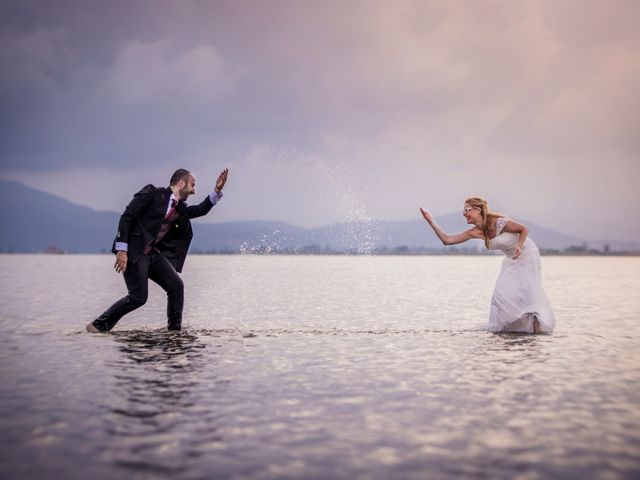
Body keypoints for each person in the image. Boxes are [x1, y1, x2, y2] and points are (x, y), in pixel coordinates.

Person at [87, 168, 229, 333]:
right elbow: (127, 216)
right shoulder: (152, 193)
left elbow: (200, 210)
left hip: (152, 254)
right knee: (138, 297)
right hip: (134, 251)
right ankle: (97, 326)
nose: (194, 190)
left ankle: (174, 333)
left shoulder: (180, 208)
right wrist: (121, 250)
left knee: (176, 286)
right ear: (181, 183)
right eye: (192, 185)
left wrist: (217, 190)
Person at [419, 197, 555, 333]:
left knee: (527, 294)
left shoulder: (498, 222)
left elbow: (524, 229)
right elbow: (447, 240)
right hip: (511, 260)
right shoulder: (474, 232)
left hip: (527, 255)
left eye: (467, 210)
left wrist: (519, 245)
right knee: (501, 296)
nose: (464, 214)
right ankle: (508, 331)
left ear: (478, 210)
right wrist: (431, 222)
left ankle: (536, 329)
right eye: (463, 212)